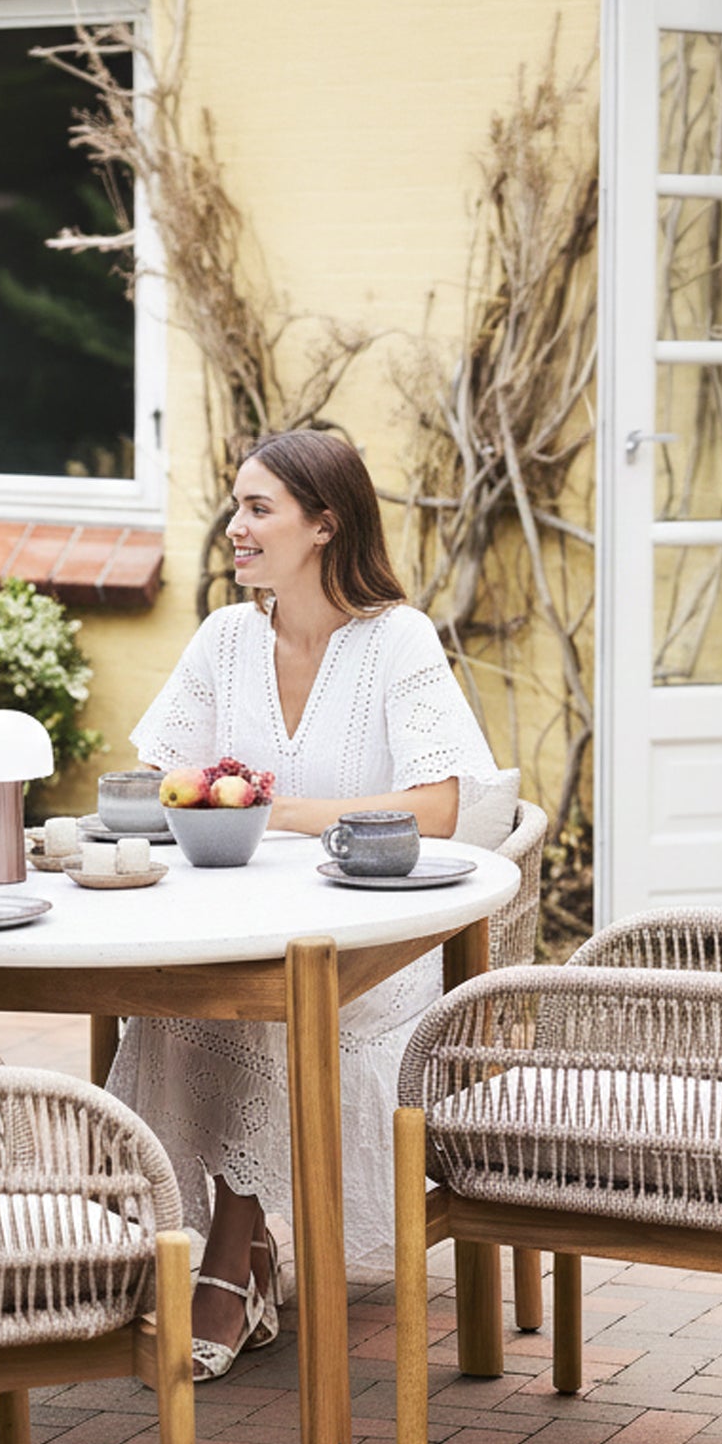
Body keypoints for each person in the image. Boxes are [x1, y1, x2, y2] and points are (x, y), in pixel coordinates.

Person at [105, 429, 505, 1381]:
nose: (234, 529)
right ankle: (232, 1254)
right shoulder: (225, 637)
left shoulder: (395, 640)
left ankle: (227, 1271)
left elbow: (439, 807)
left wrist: (266, 807)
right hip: (231, 920)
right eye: (236, 507)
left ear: (324, 526)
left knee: (264, 1007)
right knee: (173, 998)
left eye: (258, 510)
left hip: (376, 951)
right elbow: (163, 772)